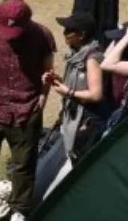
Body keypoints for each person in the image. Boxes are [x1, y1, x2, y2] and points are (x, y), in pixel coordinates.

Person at [0, 0, 56, 221]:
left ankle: (19, 211)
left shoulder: (42, 35)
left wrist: (42, 98)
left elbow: (48, 70)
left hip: (26, 111)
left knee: (23, 166)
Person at [44, 12, 110, 169]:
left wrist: (68, 92)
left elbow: (96, 94)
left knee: (84, 164)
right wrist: (57, 80)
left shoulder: (92, 58)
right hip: (76, 116)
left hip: (88, 121)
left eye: (69, 30)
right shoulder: (76, 54)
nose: (64, 33)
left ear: (82, 35)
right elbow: (78, 84)